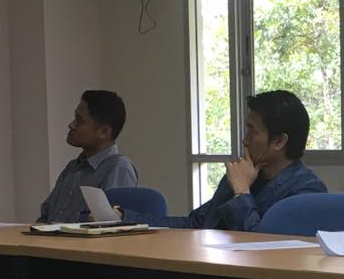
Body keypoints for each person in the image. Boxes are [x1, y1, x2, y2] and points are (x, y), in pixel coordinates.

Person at [119, 90, 327, 229]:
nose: (245, 141)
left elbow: (262, 247)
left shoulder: (307, 191)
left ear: (279, 141)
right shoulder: (242, 176)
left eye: (252, 131)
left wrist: (241, 192)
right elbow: (196, 225)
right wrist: (123, 219)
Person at [38, 90, 138, 222]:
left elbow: (110, 225)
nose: (71, 125)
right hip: (51, 235)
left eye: (79, 120)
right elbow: (46, 215)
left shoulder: (118, 168)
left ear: (104, 132)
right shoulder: (73, 167)